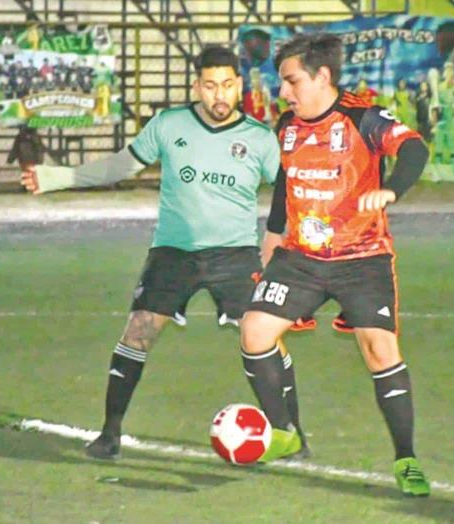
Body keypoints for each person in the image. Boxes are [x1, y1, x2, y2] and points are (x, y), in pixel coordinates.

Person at [20, 46, 307, 460]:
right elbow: (121, 166)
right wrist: (55, 176)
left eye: (227, 84)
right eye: (210, 86)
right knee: (137, 331)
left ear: (239, 85)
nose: (219, 94)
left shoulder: (260, 140)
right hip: (173, 253)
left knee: (265, 340)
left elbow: (291, 192)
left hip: (236, 257)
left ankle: (293, 432)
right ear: (197, 86)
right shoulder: (169, 124)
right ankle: (110, 433)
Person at [239, 33, 431, 496]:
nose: (284, 92)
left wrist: (392, 190)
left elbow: (414, 149)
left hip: (362, 259)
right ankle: (286, 433)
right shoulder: (287, 126)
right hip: (300, 258)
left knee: (378, 349)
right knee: (255, 331)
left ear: (322, 76)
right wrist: (270, 240)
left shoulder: (363, 117)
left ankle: (406, 458)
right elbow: (286, 185)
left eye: (291, 81)